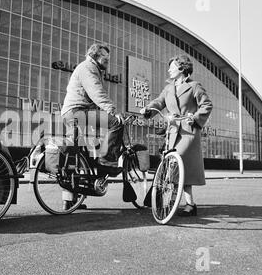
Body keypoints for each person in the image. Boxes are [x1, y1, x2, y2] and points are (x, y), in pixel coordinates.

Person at [141, 54, 213, 216]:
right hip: (172, 131)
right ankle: (190, 204)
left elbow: (207, 105)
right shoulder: (168, 88)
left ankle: (171, 201)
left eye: (172, 67)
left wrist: (194, 117)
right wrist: (147, 109)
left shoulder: (194, 86)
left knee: (176, 162)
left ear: (181, 68)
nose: (169, 70)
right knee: (176, 167)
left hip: (188, 131)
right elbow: (159, 102)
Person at [60, 43, 125, 210]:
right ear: (96, 56)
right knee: (115, 123)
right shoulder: (88, 68)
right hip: (77, 111)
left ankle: (70, 200)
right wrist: (112, 110)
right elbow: (96, 91)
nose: (108, 60)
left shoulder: (89, 68)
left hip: (73, 112)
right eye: (105, 57)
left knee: (76, 156)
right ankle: (107, 162)